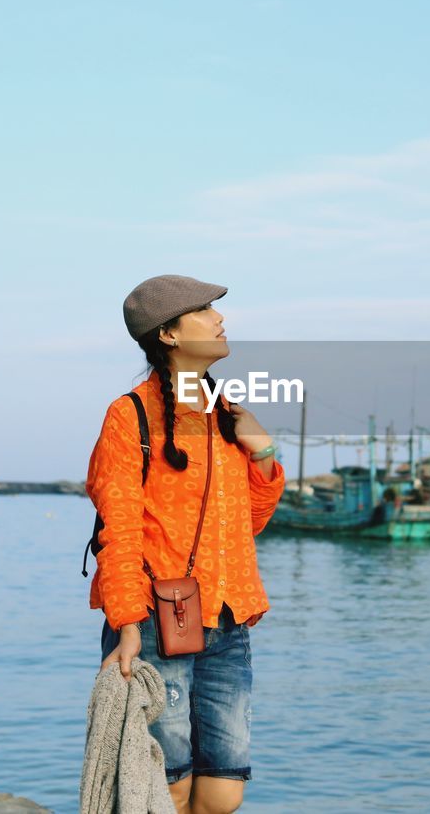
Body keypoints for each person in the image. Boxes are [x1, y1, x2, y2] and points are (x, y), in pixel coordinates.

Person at [86, 274, 286, 814]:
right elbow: (118, 528)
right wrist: (127, 623)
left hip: (227, 618)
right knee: (164, 786)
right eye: (204, 310)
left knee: (222, 792)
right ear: (169, 334)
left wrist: (263, 456)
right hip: (156, 620)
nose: (220, 318)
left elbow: (246, 525)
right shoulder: (129, 417)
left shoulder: (224, 412)